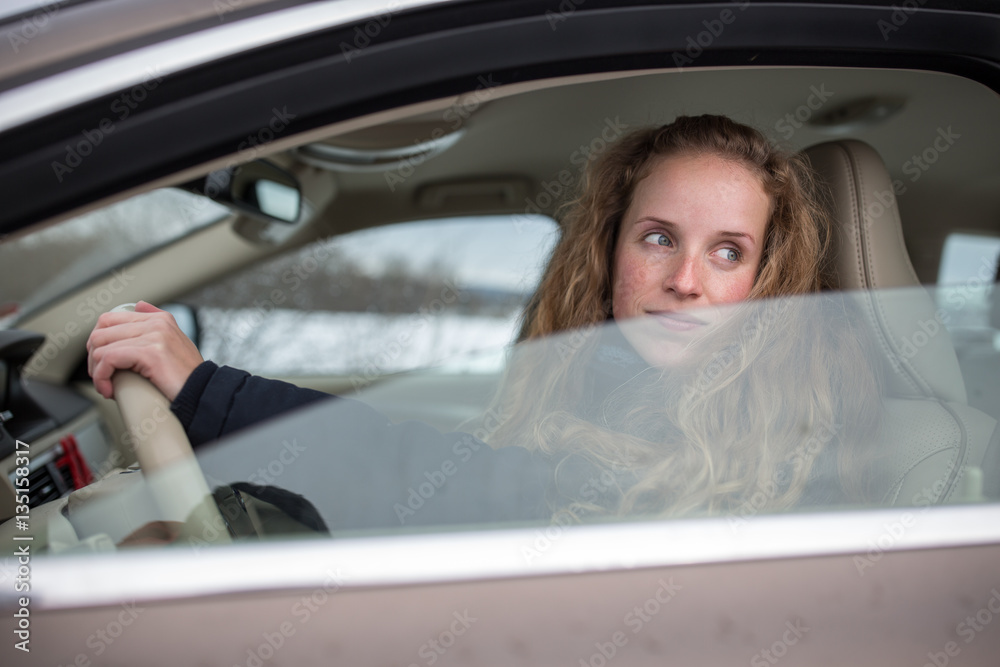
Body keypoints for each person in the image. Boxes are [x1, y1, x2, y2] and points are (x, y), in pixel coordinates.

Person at [86, 115, 882, 528]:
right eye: (660, 238)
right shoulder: (611, 385)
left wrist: (205, 389)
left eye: (728, 252)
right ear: (609, 249)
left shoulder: (761, 443)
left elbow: (442, 483)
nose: (684, 281)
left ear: (765, 280)